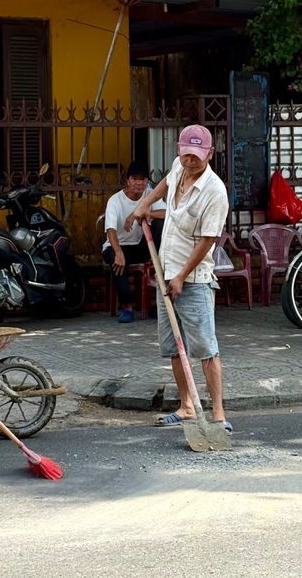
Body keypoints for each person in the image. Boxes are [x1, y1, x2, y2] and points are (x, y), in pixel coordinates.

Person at [125, 125, 232, 431]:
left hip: (193, 278)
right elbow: (164, 184)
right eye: (186, 155)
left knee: (205, 348)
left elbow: (207, 240)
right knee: (175, 346)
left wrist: (182, 276)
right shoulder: (179, 167)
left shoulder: (215, 191)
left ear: (209, 154)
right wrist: (145, 204)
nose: (191, 161)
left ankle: (218, 416)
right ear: (179, 150)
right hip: (166, 272)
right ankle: (186, 406)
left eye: (197, 157)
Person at [102, 160, 166, 323]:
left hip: (139, 246)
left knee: (160, 222)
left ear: (147, 182)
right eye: (135, 178)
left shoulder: (149, 196)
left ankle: (157, 303)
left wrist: (145, 213)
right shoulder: (115, 200)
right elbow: (110, 230)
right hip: (116, 245)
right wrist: (118, 252)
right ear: (127, 180)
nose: (138, 183)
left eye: (143, 179)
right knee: (118, 264)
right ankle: (127, 306)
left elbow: (168, 213)